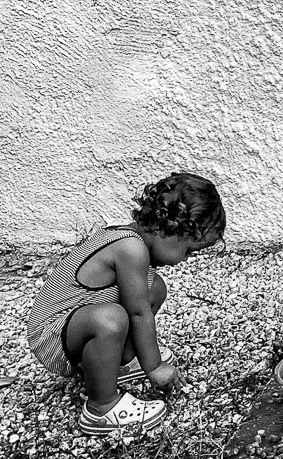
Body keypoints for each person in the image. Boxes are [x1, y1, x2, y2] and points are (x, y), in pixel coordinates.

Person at [26, 172, 226, 435]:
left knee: (154, 287)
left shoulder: (131, 237)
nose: (186, 259)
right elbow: (138, 313)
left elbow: (139, 301)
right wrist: (154, 367)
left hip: (72, 324)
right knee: (113, 320)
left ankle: (117, 363)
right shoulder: (131, 249)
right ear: (173, 229)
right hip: (51, 336)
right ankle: (101, 407)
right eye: (188, 250)